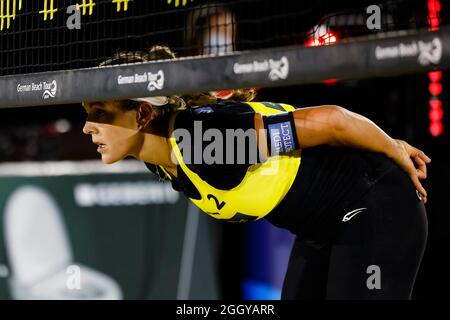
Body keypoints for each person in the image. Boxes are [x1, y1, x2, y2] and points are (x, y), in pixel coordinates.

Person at [82, 45, 430, 299]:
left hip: (376, 204)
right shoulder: (156, 154)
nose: (87, 127)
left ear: (143, 115)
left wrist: (392, 147)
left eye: (100, 113)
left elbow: (333, 121)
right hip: (321, 229)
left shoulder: (207, 140)